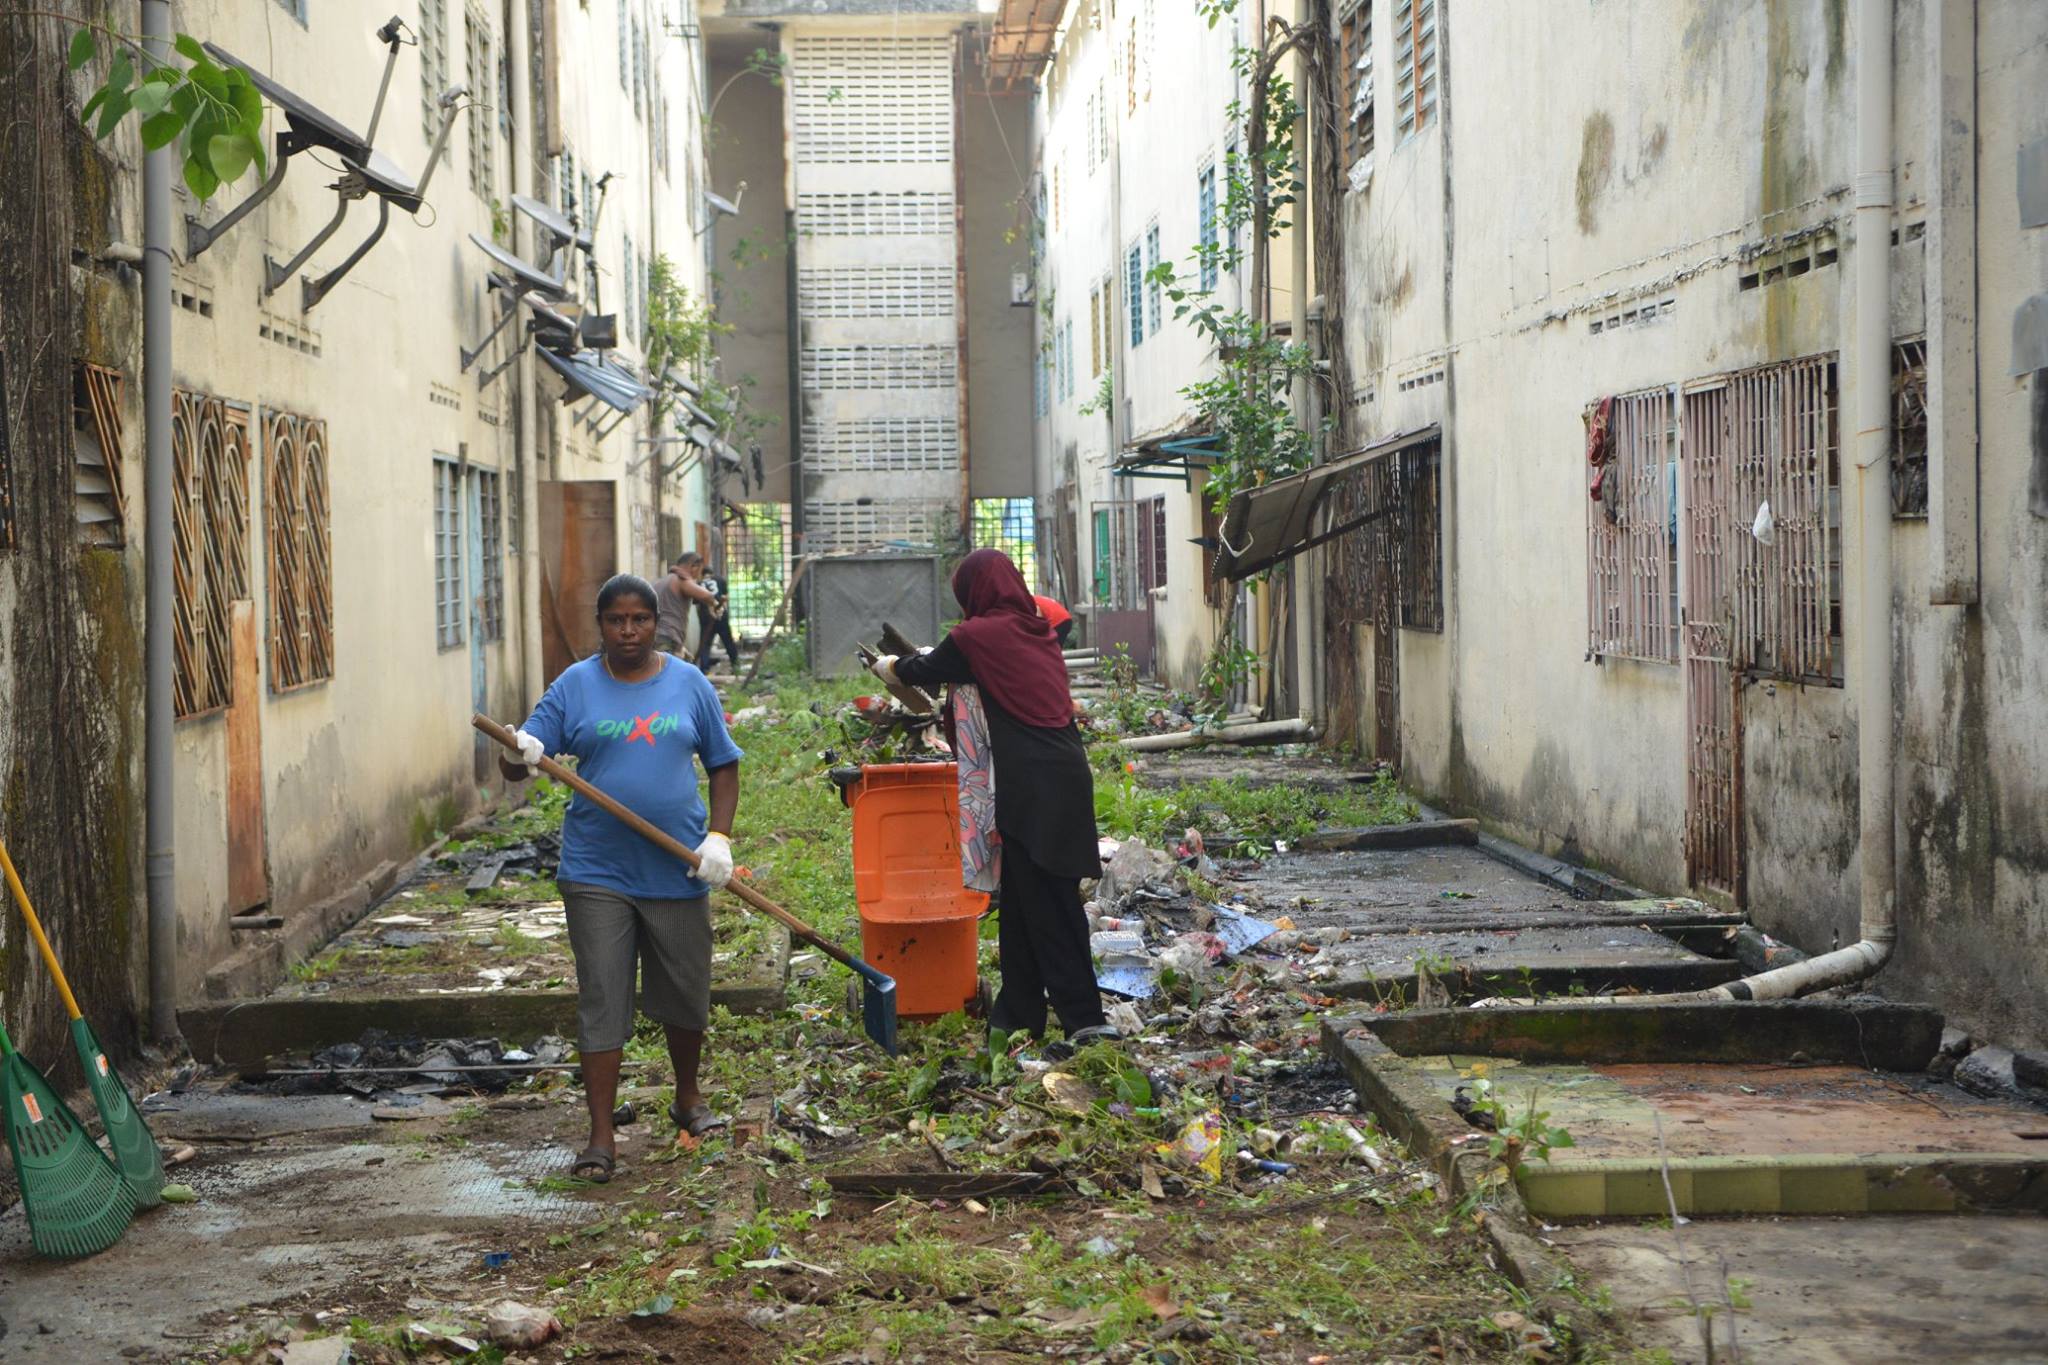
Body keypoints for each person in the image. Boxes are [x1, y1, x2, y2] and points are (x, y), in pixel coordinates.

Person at [500, 573, 743, 1181]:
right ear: (601, 625)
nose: (628, 631)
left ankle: (687, 1099)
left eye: (639, 619)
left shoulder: (688, 684)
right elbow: (520, 758)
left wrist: (718, 837)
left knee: (685, 990)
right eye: (616, 620)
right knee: (604, 995)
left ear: (655, 622)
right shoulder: (575, 686)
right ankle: (601, 1136)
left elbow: (723, 765)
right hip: (597, 871)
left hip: (677, 864)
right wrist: (519, 750)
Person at [872, 550, 1114, 1045]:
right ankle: (1017, 1014)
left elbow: (923, 670)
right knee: (1025, 902)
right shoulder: (1037, 630)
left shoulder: (974, 637)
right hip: (1066, 775)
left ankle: (1084, 1019)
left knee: (1052, 906)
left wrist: (887, 664)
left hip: (1030, 786)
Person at [653, 554, 717, 658]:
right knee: (669, 672)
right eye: (699, 571)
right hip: (668, 637)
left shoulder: (661, 582)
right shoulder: (681, 579)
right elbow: (707, 596)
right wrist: (714, 604)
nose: (698, 576)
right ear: (693, 567)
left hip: (656, 636)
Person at [694, 557, 742, 673]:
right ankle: (735, 666)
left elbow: (696, 603)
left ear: (702, 573)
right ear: (712, 573)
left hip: (706, 616)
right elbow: (725, 597)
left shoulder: (698, 584)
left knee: (705, 643)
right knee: (728, 641)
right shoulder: (720, 580)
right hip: (721, 614)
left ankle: (704, 669)